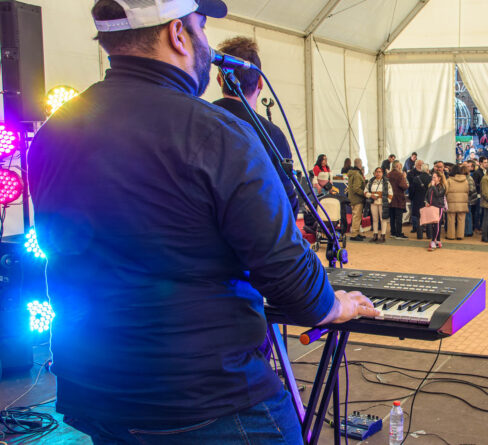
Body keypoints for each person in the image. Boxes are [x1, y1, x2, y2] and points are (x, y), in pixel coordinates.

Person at [29, 1, 379, 443]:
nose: (207, 45)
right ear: (178, 34)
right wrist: (334, 305)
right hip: (207, 399)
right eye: (201, 27)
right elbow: (288, 275)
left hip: (94, 390)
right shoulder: (216, 132)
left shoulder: (52, 133)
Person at [211, 36, 298, 218]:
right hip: (254, 238)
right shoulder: (272, 135)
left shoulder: (195, 120)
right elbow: (287, 203)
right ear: (260, 82)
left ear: (220, 80)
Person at [366, 167, 392, 243]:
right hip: (373, 202)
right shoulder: (371, 181)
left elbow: (390, 192)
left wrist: (388, 201)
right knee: (374, 219)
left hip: (383, 203)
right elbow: (365, 191)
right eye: (377, 172)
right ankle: (375, 235)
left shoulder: (386, 182)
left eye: (380, 172)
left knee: (383, 219)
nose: (378, 173)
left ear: (382, 173)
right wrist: (371, 195)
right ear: (374, 173)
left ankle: (383, 235)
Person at [425, 171, 447, 251]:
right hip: (432, 207)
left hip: (439, 207)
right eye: (432, 177)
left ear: (439, 178)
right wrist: (426, 202)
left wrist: (433, 186)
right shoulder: (431, 186)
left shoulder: (442, 187)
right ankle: (437, 241)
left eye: (434, 177)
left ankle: (433, 241)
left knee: (437, 224)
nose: (432, 179)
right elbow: (426, 195)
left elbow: (438, 195)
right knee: (434, 225)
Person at [446, 165, 469, 240]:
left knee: (451, 219)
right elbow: (467, 191)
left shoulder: (449, 180)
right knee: (461, 219)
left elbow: (446, 191)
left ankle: (451, 235)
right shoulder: (465, 180)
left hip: (451, 202)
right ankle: (460, 235)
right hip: (462, 202)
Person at [387, 160, 409, 239]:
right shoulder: (400, 175)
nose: (401, 167)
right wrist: (405, 178)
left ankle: (393, 232)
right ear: (397, 166)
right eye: (400, 165)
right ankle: (398, 234)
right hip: (398, 199)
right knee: (398, 217)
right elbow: (404, 187)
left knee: (392, 217)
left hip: (390, 199)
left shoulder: (388, 175)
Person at [408, 160, 430, 239]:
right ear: (428, 170)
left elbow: (412, 190)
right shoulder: (431, 179)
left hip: (417, 200)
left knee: (418, 218)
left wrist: (411, 198)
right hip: (428, 201)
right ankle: (429, 235)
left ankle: (419, 235)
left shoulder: (416, 179)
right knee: (429, 218)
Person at [347, 158, 366, 241]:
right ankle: (354, 234)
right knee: (356, 216)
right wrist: (364, 193)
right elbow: (356, 188)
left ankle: (357, 232)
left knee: (356, 216)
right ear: (360, 165)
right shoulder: (357, 174)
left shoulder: (352, 173)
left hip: (352, 198)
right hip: (357, 198)